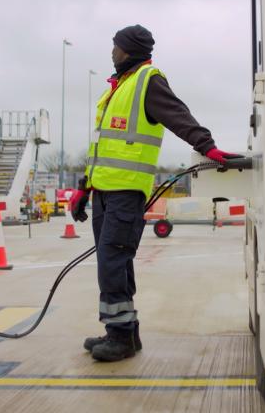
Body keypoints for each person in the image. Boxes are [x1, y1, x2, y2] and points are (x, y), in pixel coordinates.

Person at [70, 24, 236, 362]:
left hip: (126, 194)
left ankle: (120, 337)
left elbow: (178, 116)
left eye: (115, 47)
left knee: (113, 262)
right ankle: (124, 331)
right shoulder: (117, 88)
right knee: (112, 262)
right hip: (103, 192)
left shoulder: (148, 81)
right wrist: (83, 189)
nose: (111, 52)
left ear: (128, 50)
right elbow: (100, 147)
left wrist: (208, 146)